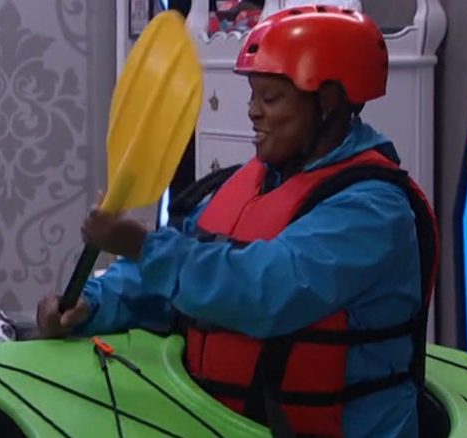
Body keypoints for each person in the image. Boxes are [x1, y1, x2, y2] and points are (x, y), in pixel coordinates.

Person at [38, 6, 438, 438]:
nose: (253, 112)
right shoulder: (252, 182)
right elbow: (173, 274)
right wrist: (90, 304)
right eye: (252, 96)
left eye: (271, 98)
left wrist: (143, 246)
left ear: (327, 103)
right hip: (223, 421)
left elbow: (265, 291)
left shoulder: (373, 210)